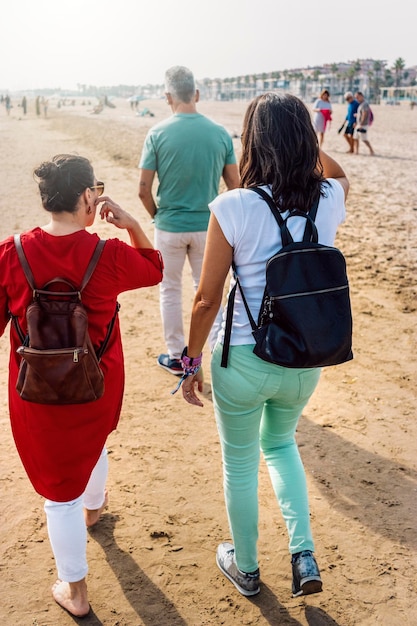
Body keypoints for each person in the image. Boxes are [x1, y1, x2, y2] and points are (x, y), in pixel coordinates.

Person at [178, 93, 349, 598]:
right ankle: (303, 554)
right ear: (305, 139)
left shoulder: (233, 206)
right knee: (281, 446)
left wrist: (189, 363)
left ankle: (247, 567)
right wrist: (305, 147)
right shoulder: (329, 198)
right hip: (306, 358)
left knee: (240, 463)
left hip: (245, 360)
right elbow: (337, 172)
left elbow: (207, 299)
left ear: (253, 141)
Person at [0, 154, 163, 617]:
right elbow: (154, 269)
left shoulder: (10, 252)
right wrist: (131, 224)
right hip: (97, 385)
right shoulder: (108, 255)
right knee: (92, 442)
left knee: (58, 494)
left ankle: (76, 590)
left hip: (37, 393)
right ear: (89, 196)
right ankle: (94, 508)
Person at [138, 65, 239, 376]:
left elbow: (143, 190)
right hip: (208, 226)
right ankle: (217, 353)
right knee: (208, 293)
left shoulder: (157, 133)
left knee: (169, 290)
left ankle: (175, 354)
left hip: (169, 225)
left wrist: (159, 217)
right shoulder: (220, 133)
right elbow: (235, 187)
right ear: (196, 94)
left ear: (168, 97)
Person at [353, 91, 375, 155]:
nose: (357, 99)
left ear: (362, 96)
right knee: (355, 137)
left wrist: (361, 124)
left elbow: (365, 114)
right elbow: (361, 114)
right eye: (356, 98)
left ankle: (371, 150)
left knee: (364, 139)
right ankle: (356, 151)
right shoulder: (361, 104)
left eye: (358, 97)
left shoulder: (365, 104)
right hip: (359, 124)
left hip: (363, 124)